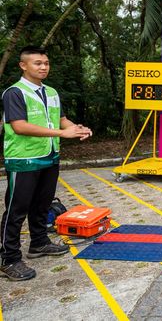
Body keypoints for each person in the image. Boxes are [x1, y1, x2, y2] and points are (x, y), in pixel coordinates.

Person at [1, 46, 92, 281]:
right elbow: (19, 126)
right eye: (38, 63)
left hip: (49, 156)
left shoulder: (51, 92)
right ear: (23, 65)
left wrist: (76, 128)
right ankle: (8, 258)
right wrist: (62, 133)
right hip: (24, 159)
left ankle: (39, 243)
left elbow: (61, 120)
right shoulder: (15, 93)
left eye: (46, 63)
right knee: (16, 209)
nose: (43, 67)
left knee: (42, 204)